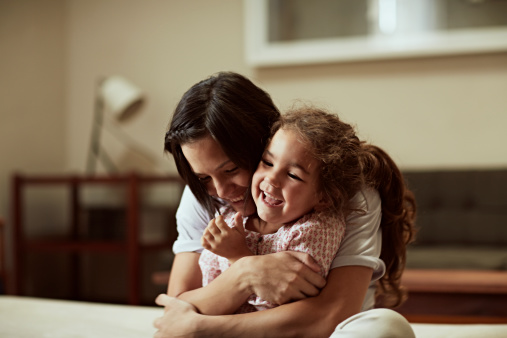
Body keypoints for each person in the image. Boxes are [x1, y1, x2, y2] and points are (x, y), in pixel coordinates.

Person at [155, 71, 417, 337]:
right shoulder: (204, 194)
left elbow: (329, 314)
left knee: (385, 327)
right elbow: (176, 310)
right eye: (203, 177)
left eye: (231, 169)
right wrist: (245, 273)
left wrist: (203, 326)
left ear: (266, 143)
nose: (221, 191)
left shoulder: (349, 194)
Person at [199, 107, 363, 313]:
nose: (272, 179)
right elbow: (208, 286)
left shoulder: (315, 230)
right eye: (267, 162)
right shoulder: (230, 219)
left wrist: (238, 256)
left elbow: (282, 302)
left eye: (293, 175)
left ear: (324, 198)